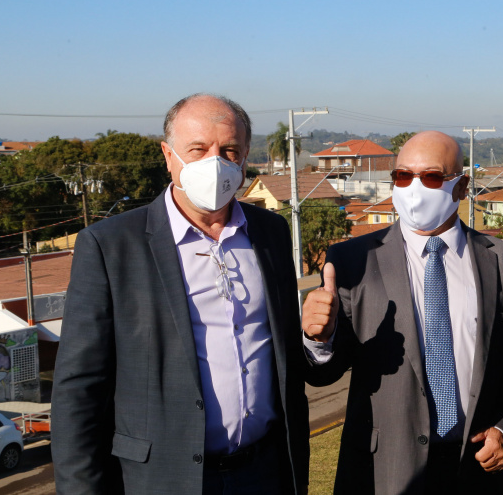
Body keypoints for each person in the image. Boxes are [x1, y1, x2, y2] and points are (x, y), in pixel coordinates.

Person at [52, 94, 310, 494]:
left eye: (229, 150)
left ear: (244, 159)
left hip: (265, 471)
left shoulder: (271, 233)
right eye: (198, 149)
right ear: (169, 156)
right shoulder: (111, 245)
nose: (216, 162)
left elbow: (285, 353)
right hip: (163, 478)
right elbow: (78, 389)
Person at [301, 131, 503, 494]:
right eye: (402, 175)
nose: (414, 187)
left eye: (431, 176)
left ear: (461, 185)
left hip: (475, 469)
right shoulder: (351, 262)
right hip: (383, 470)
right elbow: (325, 373)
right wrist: (319, 339)